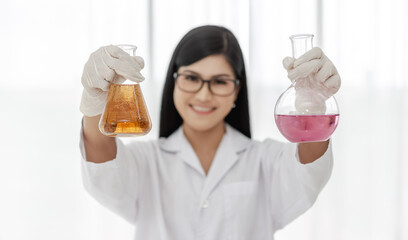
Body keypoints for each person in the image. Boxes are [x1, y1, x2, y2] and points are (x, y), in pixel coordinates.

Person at [79, 25, 340, 239]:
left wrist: (313, 102)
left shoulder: (264, 160)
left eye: (219, 81)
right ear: (174, 82)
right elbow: (103, 166)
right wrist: (95, 104)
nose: (204, 95)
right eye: (191, 78)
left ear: (237, 90)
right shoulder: (147, 161)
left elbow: (308, 172)